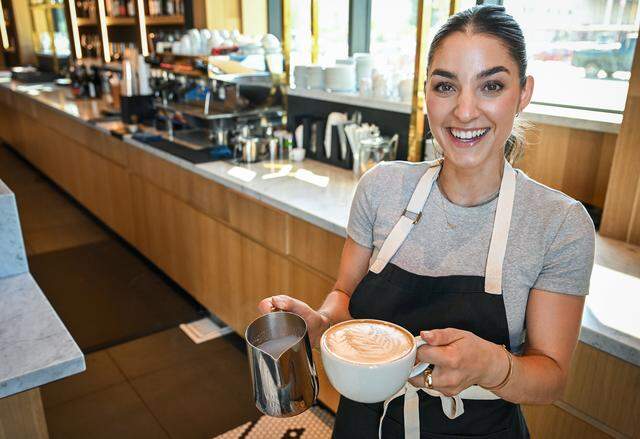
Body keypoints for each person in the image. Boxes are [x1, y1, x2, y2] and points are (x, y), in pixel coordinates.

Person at [258, 5, 595, 438]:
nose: (465, 111)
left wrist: (492, 364)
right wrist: (319, 321)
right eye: (446, 86)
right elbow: (344, 296)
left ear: (523, 93)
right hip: (366, 422)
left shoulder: (559, 225)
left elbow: (551, 377)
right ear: (426, 93)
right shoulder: (382, 188)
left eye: (491, 85)